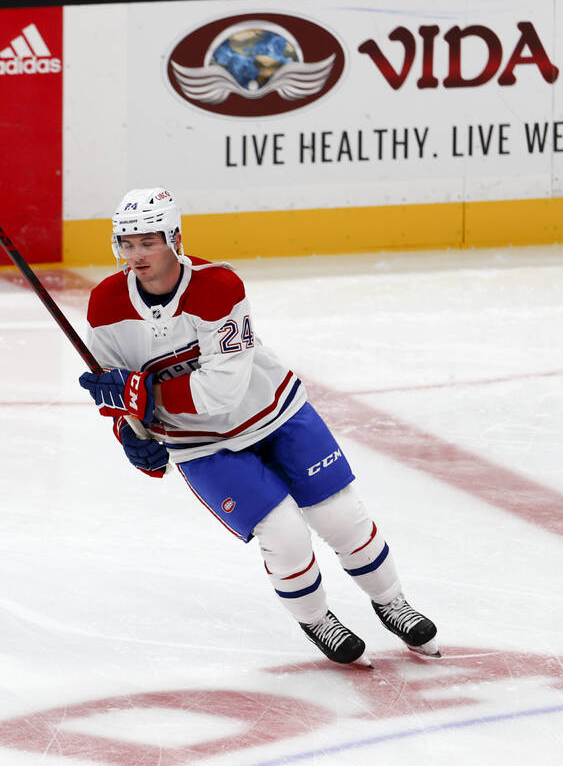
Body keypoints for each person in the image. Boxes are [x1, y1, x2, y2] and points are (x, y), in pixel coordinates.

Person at [77, 187, 439, 664]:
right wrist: (127, 431)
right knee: (284, 532)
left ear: (174, 238)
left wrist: (139, 397)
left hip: (275, 412)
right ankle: (317, 620)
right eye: (128, 243)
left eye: (149, 242)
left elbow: (220, 390)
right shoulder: (106, 305)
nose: (137, 255)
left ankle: (392, 602)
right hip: (200, 445)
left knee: (340, 516)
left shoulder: (218, 286)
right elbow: (114, 389)